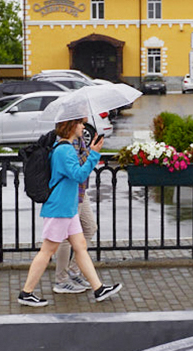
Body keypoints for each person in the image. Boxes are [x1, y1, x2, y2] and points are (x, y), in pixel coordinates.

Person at [18, 118, 123, 307]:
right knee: (47, 251)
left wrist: (90, 151)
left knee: (80, 246)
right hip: (60, 208)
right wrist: (94, 155)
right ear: (71, 126)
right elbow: (79, 175)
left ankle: (98, 288)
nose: (84, 127)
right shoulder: (65, 150)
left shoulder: (64, 147)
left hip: (68, 207)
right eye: (81, 123)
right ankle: (26, 293)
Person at [52, 135, 96, 294]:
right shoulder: (69, 140)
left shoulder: (79, 137)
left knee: (90, 227)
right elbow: (76, 169)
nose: (84, 127)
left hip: (81, 191)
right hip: (72, 192)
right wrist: (93, 151)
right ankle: (61, 280)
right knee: (65, 237)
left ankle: (73, 270)